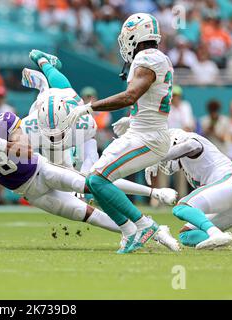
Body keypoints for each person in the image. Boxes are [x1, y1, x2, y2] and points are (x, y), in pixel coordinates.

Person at [0, 88, 177, 250]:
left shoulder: (5, 121)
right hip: (30, 193)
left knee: (92, 184)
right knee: (90, 216)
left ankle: (152, 201)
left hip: (42, 170)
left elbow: (26, 151)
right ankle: (152, 232)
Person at [20, 54, 179, 251]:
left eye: (60, 130)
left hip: (68, 116)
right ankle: (44, 65)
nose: (55, 135)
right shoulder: (28, 126)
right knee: (80, 195)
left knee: (93, 181)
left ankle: (145, 226)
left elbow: (91, 164)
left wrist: (80, 182)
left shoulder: (84, 123)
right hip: (45, 145)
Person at [61, 13, 174, 253]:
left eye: (127, 37)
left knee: (98, 180)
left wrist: (90, 106)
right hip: (142, 131)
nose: (124, 43)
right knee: (94, 181)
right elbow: (146, 100)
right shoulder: (154, 57)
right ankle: (129, 230)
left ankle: (144, 225)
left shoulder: (147, 58)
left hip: (149, 137)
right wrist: (131, 118)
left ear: (136, 35)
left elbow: (130, 96)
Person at [145, 129, 232, 250]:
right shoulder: (188, 164)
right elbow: (230, 198)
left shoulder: (192, 141)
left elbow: (192, 145)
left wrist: (158, 157)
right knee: (186, 235)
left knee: (181, 207)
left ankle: (215, 233)